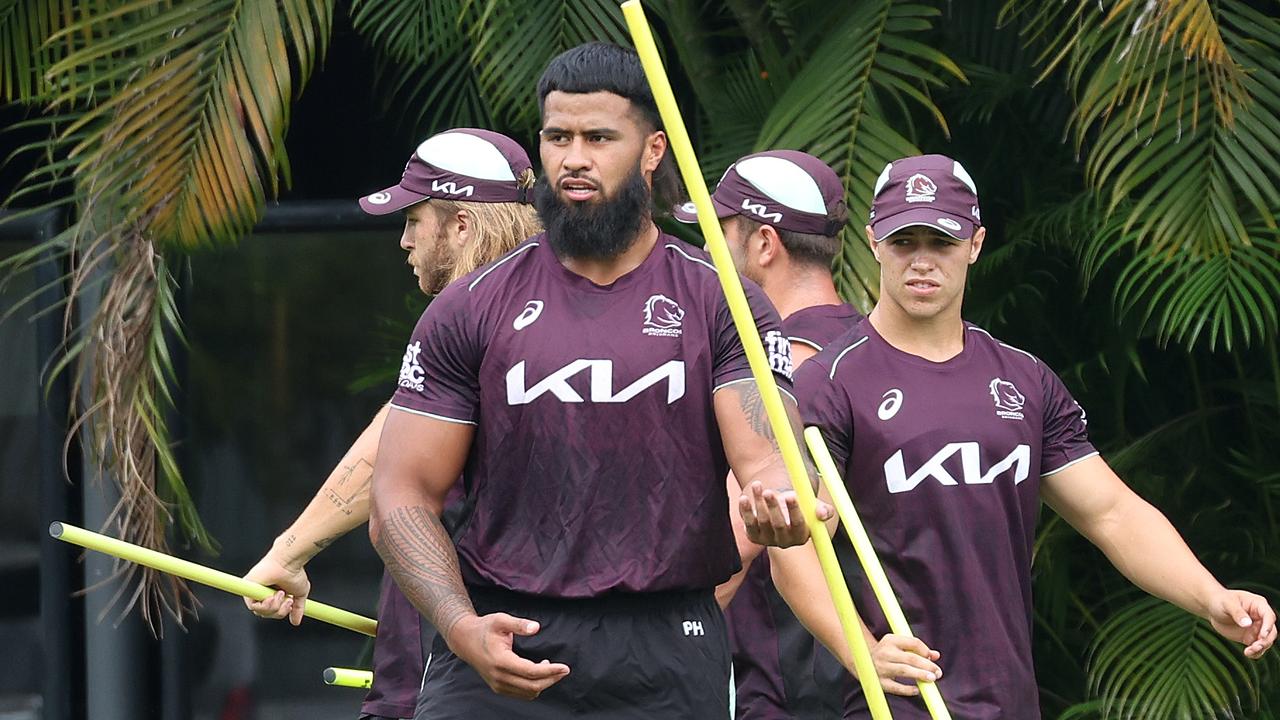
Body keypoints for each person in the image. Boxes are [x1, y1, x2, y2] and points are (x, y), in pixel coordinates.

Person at [368, 42, 830, 720]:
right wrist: (462, 629)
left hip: (668, 649)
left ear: (652, 150)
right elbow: (400, 495)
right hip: (502, 642)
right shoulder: (470, 307)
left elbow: (769, 459)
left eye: (599, 138)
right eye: (557, 137)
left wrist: (786, 507)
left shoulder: (721, 302)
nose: (574, 158)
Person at [772, 153, 1276, 718]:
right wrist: (864, 652)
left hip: (1011, 699)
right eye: (903, 241)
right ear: (873, 242)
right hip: (900, 701)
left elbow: (1111, 512)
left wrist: (1211, 597)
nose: (921, 262)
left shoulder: (1022, 379)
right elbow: (795, 551)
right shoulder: (827, 383)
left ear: (976, 243)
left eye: (940, 242)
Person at [240, 127, 542, 720]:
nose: (403, 241)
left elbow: (393, 446)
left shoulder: (475, 325)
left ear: (462, 225)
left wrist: (289, 552)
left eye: (414, 220)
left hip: (464, 660)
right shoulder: (561, 317)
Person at [674, 149, 862, 719]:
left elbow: (735, 541)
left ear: (763, 244)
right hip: (852, 676)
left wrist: (647, 649)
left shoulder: (781, 372)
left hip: (788, 687)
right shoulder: (869, 353)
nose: (703, 255)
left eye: (715, 234)